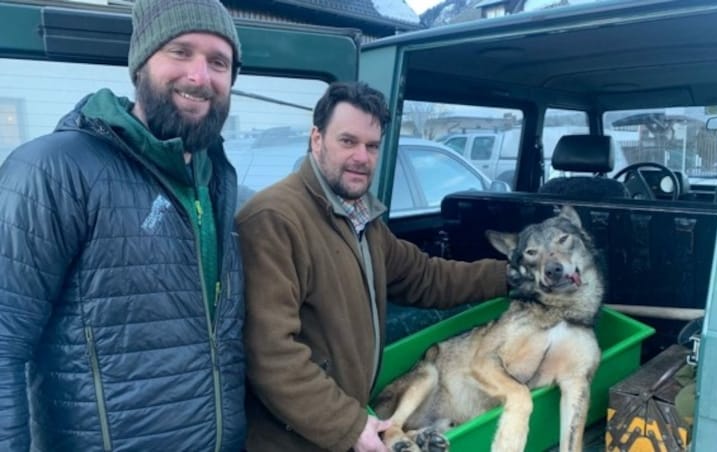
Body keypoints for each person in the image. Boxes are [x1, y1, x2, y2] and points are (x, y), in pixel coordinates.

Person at [0, 0, 246, 450]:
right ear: (139, 66)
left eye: (218, 62)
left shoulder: (220, 185)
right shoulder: (56, 170)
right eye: (180, 51)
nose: (200, 76)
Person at [236, 81, 508, 452]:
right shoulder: (274, 220)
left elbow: (427, 277)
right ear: (317, 139)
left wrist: (511, 275)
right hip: (293, 441)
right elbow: (270, 355)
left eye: (372, 146)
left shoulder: (362, 218)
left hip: (342, 427)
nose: (362, 157)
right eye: (347, 141)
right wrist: (348, 425)